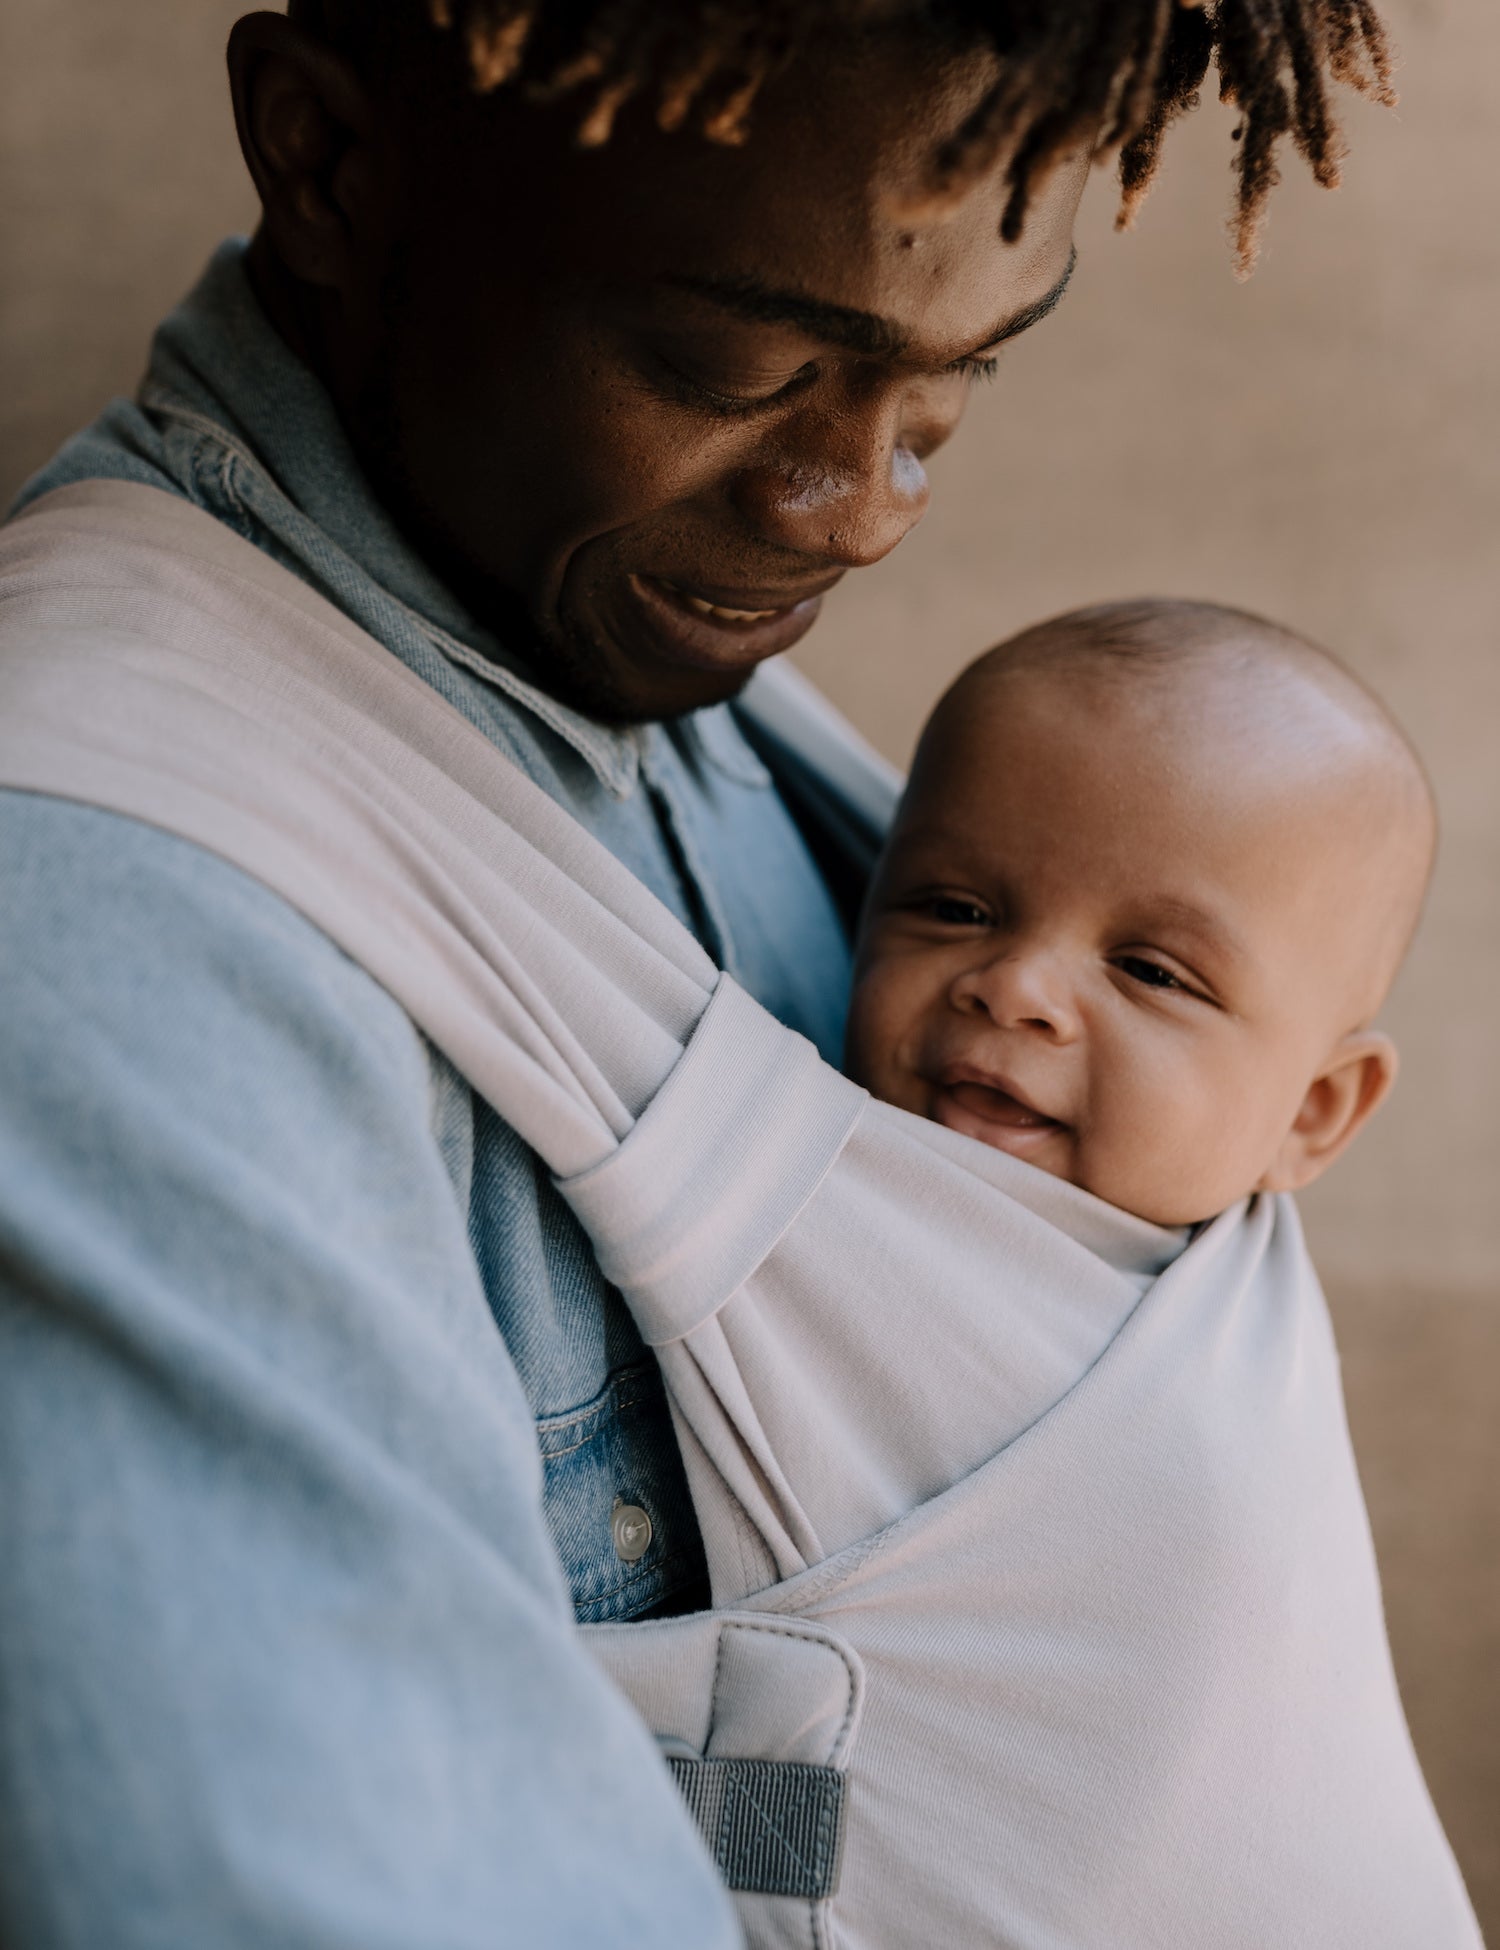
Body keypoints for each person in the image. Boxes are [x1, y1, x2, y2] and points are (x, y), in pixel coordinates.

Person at [0, 4, 1400, 1945]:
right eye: (732, 362)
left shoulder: (638, 667)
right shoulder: (109, 918)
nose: (865, 506)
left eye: (950, 388)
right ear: (326, 160)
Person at [846, 597, 1434, 1225]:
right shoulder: (758, 1148)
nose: (1015, 988)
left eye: (1150, 972)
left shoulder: (1239, 1321)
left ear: (1309, 1112)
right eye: (956, 911)